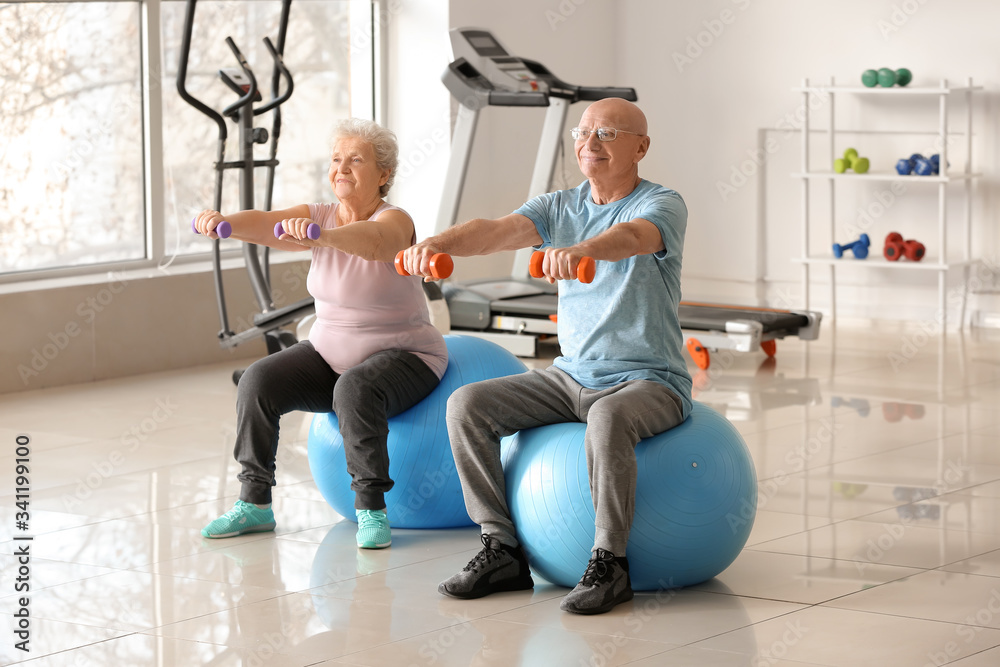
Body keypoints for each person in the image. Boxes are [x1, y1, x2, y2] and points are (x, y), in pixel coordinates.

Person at [399, 98, 692, 614]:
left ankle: (610, 563)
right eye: (583, 133)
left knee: (607, 417)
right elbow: (493, 231)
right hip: (568, 376)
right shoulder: (559, 207)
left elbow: (631, 239)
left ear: (641, 147)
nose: (589, 143)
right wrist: (435, 243)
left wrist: (582, 252)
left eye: (606, 133)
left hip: (649, 380)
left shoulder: (662, 203)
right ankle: (501, 549)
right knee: (467, 405)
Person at [193, 118, 447, 549]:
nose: (341, 168)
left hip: (407, 357)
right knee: (258, 381)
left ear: (383, 175)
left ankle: (371, 511)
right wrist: (225, 223)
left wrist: (323, 236)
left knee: (355, 388)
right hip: (330, 355)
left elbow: (375, 241)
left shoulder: (396, 220)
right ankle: (254, 504)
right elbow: (268, 221)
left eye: (356, 160)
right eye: (335, 159)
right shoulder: (317, 216)